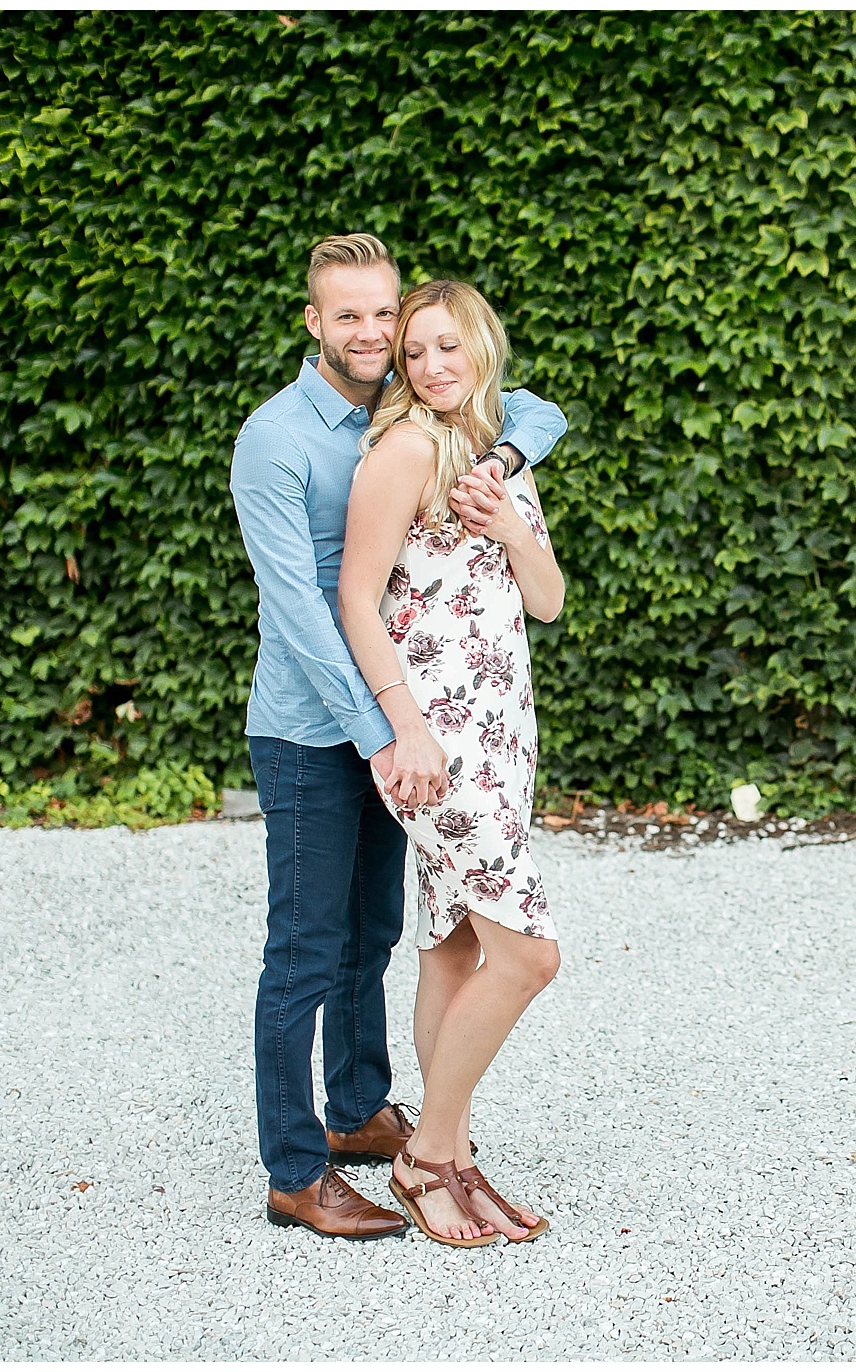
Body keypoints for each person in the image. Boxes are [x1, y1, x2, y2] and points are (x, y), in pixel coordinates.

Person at [230, 234, 567, 1240]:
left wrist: (505, 472)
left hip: (419, 724)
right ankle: (297, 1169)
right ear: (314, 322)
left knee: (386, 933)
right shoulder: (283, 438)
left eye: (389, 316)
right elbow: (312, 609)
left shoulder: (427, 420)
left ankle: (360, 1113)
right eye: (353, 318)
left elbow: (535, 415)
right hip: (320, 724)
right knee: (306, 945)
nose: (377, 336)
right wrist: (392, 727)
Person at [337, 277, 563, 1248]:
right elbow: (354, 598)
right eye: (414, 350)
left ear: (480, 348)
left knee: (455, 945)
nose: (431, 365)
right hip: (439, 743)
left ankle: (453, 1151)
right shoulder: (406, 449)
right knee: (528, 953)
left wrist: (511, 524)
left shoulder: (497, 459)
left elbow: (546, 602)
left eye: (446, 346)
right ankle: (427, 1153)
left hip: (504, 729)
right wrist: (406, 731)